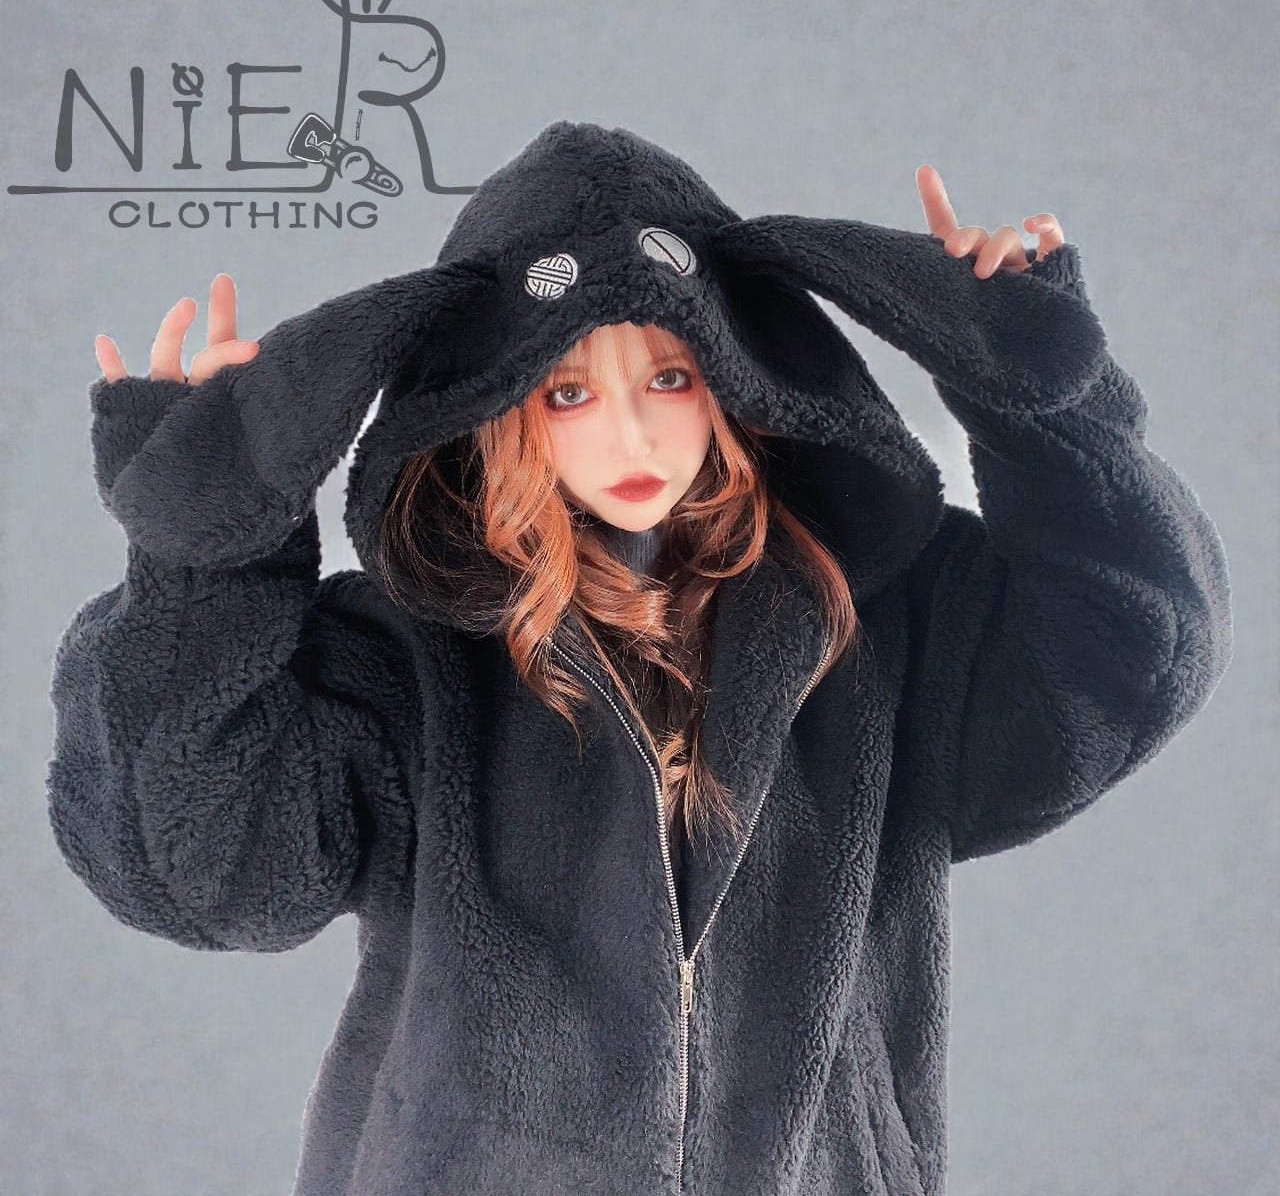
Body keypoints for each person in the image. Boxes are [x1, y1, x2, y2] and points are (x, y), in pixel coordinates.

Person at [51, 121, 1232, 1195]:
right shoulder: (406, 651)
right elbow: (202, 875)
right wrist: (207, 554)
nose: (630, 430)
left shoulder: (878, 620)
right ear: (497, 403)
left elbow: (1131, 654)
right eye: (567, 390)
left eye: (668, 375)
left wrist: (1038, 404)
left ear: (731, 375)